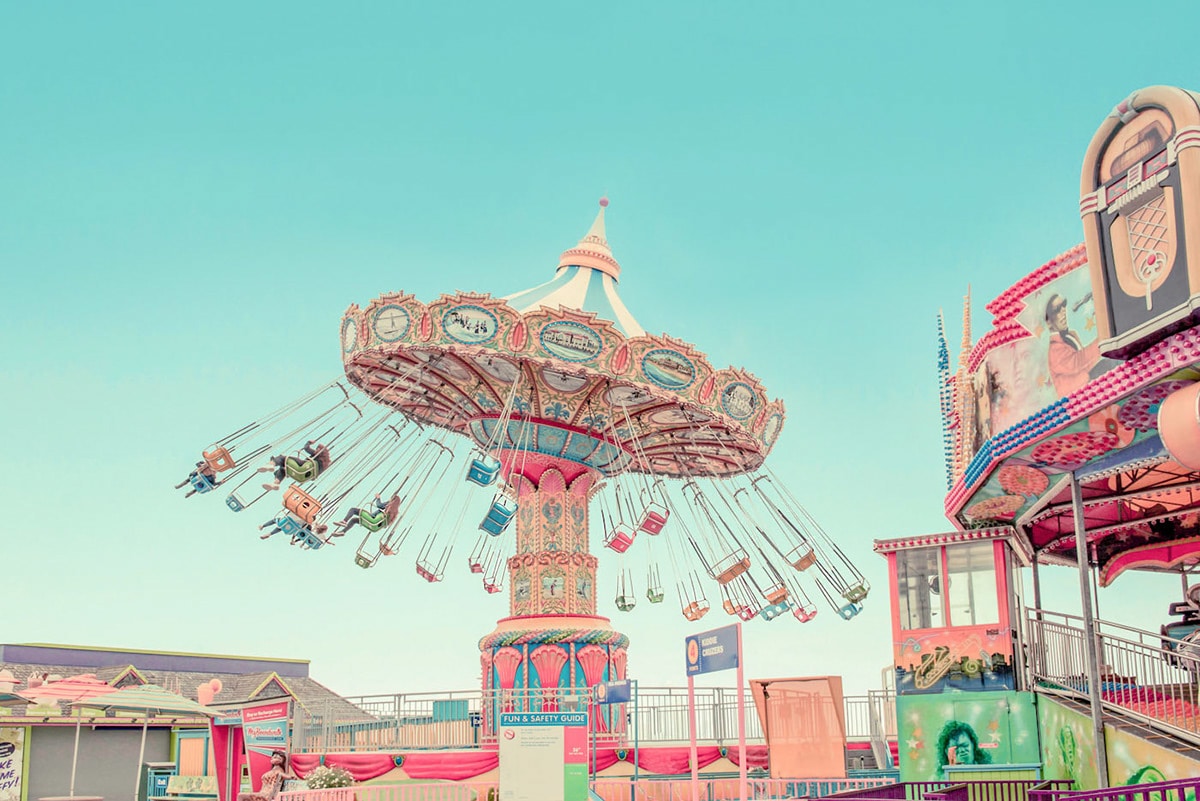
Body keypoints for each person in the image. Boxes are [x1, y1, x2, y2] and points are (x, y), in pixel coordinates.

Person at [1045, 293, 1102, 397]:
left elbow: (1087, 364)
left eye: (1064, 304)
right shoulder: (1054, 350)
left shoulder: (1071, 335)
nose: (1063, 310)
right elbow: (1077, 363)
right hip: (1076, 399)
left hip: (1089, 385)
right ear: (1048, 322)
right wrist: (1102, 340)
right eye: (1057, 309)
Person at [259, 440, 331, 491]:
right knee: (284, 469)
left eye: (318, 448)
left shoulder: (316, 456)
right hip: (304, 476)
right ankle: (275, 483)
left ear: (321, 452)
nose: (316, 449)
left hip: (302, 466)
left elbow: (306, 448)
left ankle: (271, 464)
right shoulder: (321, 464)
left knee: (284, 458)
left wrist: (309, 442)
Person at [332, 492, 401, 536]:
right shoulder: (394, 513)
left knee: (353, 510)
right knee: (354, 520)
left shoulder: (389, 505)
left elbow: (379, 505)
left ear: (392, 500)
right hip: (375, 527)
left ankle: (344, 521)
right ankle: (343, 532)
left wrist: (378, 498)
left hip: (372, 520)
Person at [259, 515, 328, 542]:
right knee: (282, 527)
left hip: (288, 523)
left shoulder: (302, 517)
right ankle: (269, 534)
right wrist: (294, 540)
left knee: (276, 521)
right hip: (291, 530)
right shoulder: (308, 526)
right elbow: (301, 535)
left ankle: (263, 526)